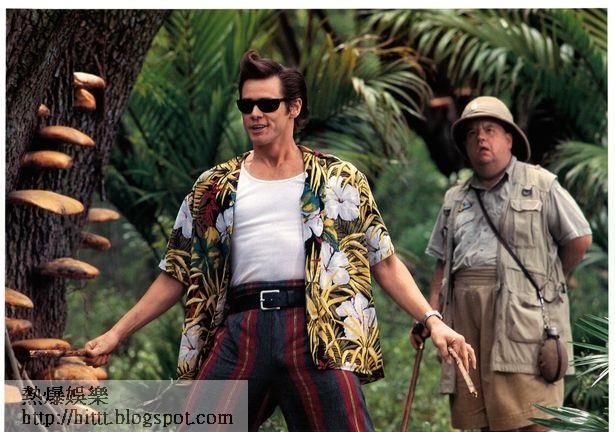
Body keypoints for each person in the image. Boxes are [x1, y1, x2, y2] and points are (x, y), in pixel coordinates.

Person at [85, 50, 476, 431]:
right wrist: (115, 334)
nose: (255, 113)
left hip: (317, 330)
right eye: (247, 105)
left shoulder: (338, 179)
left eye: (267, 104)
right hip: (242, 329)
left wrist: (432, 321)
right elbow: (176, 272)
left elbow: (384, 261)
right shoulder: (214, 187)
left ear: (294, 108)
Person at [422, 96, 592, 431]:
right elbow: (443, 264)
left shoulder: (541, 184)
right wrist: (431, 316)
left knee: (535, 418)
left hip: (522, 319)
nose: (481, 139)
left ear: (509, 139)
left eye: (489, 130)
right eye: (472, 134)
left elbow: (579, 239)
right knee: (483, 420)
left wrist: (547, 282)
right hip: (467, 321)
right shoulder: (455, 197)